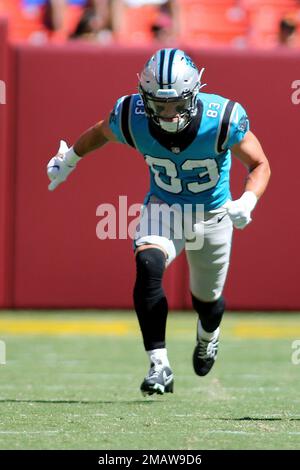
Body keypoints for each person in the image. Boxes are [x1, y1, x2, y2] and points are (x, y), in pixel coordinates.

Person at [47, 48, 271, 396]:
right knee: (148, 262)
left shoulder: (221, 117)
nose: (167, 113)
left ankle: (208, 336)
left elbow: (259, 164)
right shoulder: (130, 114)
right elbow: (100, 132)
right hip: (164, 208)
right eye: (158, 104)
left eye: (176, 103)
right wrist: (70, 158)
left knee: (207, 303)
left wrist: (248, 199)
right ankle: (159, 365)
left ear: (194, 93)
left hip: (213, 214)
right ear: (145, 97)